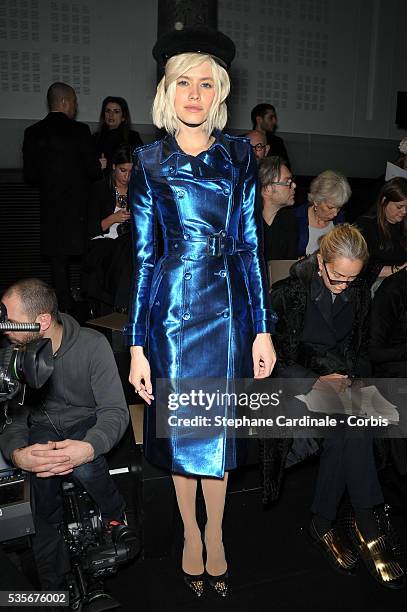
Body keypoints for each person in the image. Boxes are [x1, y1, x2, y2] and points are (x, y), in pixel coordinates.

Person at [124, 27, 276, 598]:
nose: (194, 93)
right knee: (183, 437)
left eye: (205, 83)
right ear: (167, 89)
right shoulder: (149, 161)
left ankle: (219, 533)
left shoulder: (239, 155)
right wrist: (137, 344)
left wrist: (262, 329)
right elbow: (144, 258)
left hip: (228, 311)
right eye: (183, 81)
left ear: (220, 93)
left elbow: (250, 247)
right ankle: (191, 533)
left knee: (218, 438)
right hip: (170, 313)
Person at [262, 224, 405, 589]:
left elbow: (359, 350)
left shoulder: (357, 293)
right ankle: (366, 525)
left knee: (353, 424)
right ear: (319, 260)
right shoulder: (288, 293)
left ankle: (324, 521)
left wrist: (355, 381)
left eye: (352, 279)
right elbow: (268, 359)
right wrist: (315, 381)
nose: (344, 286)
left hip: (340, 383)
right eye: (337, 277)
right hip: (296, 385)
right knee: (351, 424)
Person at [1, 278, 129, 590]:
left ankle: (116, 514)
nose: (3, 327)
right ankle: (53, 557)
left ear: (41, 321)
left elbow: (114, 411)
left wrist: (88, 447)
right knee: (41, 477)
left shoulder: (92, 345)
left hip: (85, 422)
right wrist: (17, 453)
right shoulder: (13, 355)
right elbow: (12, 421)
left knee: (85, 464)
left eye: (10, 320)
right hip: (42, 428)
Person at [22, 82, 102, 312]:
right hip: (79, 205)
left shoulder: (33, 132)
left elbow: (30, 176)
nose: (75, 106)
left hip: (51, 205)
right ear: (66, 101)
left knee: (58, 259)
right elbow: (92, 171)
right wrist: (99, 165)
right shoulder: (79, 131)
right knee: (88, 251)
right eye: (75, 101)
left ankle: (64, 305)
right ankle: (90, 304)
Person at [82, 145, 134, 312]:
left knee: (129, 248)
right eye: (122, 170)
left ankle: (123, 304)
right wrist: (114, 218)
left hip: (126, 242)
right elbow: (91, 229)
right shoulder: (100, 189)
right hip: (102, 241)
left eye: (131, 172)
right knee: (123, 252)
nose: (127, 176)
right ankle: (120, 304)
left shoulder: (137, 191)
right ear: (113, 167)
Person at [356, 177, 407, 287]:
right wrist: (398, 269)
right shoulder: (365, 226)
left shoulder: (403, 223)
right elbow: (363, 268)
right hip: (379, 283)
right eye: (399, 207)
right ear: (384, 201)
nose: (404, 211)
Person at [294, 170, 349, 257]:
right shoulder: (295, 218)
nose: (335, 213)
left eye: (339, 208)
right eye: (330, 207)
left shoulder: (340, 221)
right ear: (316, 201)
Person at [259, 155, 298, 262]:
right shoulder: (247, 224)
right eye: (288, 182)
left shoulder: (290, 221)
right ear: (267, 189)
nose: (294, 185)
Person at [92, 96, 143, 170]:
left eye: (116, 112)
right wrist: (97, 165)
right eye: (108, 111)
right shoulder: (95, 138)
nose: (111, 115)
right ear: (104, 115)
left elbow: (140, 164)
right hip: (102, 179)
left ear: (123, 117)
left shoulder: (133, 137)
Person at [250, 102, 290, 166]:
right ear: (259, 119)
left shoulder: (277, 142)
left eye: (274, 117)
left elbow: (285, 167)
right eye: (271, 117)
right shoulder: (243, 140)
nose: (274, 121)